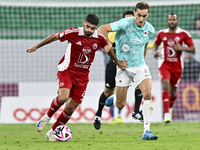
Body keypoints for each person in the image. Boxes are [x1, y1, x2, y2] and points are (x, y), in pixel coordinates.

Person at [26, 14, 126, 141]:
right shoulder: (73, 32)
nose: (89, 30)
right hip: (67, 71)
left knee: (70, 108)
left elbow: (109, 46)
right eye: (87, 27)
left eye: (92, 28)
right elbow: (55, 36)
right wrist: (36, 46)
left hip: (83, 77)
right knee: (63, 97)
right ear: (84, 23)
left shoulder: (99, 37)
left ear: (96, 28)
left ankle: (52, 132)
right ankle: (47, 116)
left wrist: (115, 58)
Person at [98, 2, 158, 140]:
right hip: (123, 68)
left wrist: (141, 62)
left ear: (147, 15)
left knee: (147, 93)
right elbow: (102, 28)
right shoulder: (125, 23)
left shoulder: (150, 30)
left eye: (144, 16)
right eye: (138, 15)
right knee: (120, 105)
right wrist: (108, 44)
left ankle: (146, 131)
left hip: (140, 67)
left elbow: (144, 46)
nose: (141, 19)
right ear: (135, 13)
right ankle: (114, 100)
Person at [93, 11, 143, 130]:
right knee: (108, 92)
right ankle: (98, 115)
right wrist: (106, 47)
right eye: (126, 20)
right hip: (114, 66)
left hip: (130, 67)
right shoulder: (113, 35)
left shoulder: (139, 35)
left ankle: (136, 111)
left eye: (131, 20)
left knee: (141, 84)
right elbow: (102, 45)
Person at [153, 13, 195, 123]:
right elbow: (156, 44)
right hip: (164, 64)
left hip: (177, 66)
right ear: (167, 21)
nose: (172, 21)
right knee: (165, 84)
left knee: (172, 91)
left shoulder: (183, 34)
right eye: (170, 20)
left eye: (174, 20)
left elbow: (193, 49)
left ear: (177, 22)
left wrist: (181, 48)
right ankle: (166, 114)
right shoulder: (162, 33)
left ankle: (170, 109)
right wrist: (155, 52)